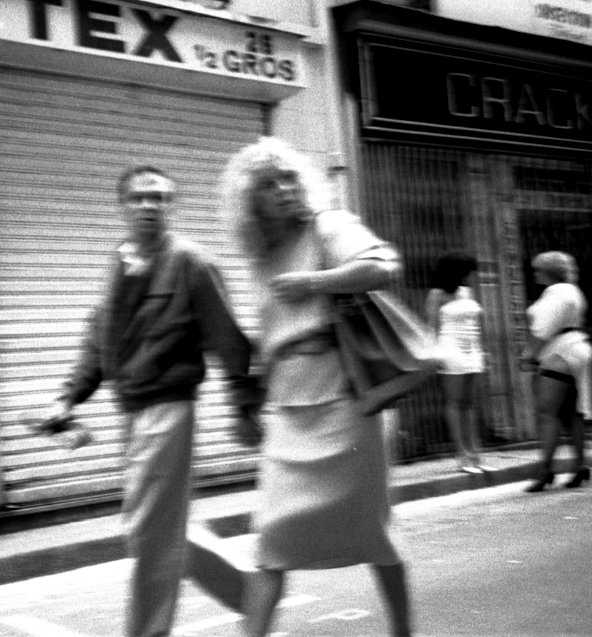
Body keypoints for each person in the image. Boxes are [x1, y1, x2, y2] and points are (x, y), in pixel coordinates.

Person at [46, 165, 262, 637]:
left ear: (171, 207)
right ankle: (252, 596)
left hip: (170, 408)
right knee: (161, 527)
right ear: (122, 206)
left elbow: (229, 339)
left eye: (161, 198)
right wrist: (69, 398)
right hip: (131, 411)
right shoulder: (120, 261)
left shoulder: (191, 263)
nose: (150, 206)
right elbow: (98, 338)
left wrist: (245, 407)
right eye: (140, 198)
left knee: (150, 534)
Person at [220, 137, 413, 637]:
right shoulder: (261, 257)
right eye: (267, 185)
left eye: (288, 179)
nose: (283, 190)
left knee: (373, 535)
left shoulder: (328, 226)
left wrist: (315, 282)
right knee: (270, 541)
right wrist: (247, 406)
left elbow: (384, 267)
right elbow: (269, 342)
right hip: (287, 414)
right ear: (250, 199)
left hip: (346, 406)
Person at [522, 251, 592, 492]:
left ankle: (545, 471)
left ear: (547, 272)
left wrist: (528, 354)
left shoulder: (555, 293)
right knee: (574, 413)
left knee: (547, 412)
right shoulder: (573, 291)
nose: (535, 273)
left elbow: (542, 329)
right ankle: (580, 465)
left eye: (538, 270)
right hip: (578, 348)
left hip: (559, 354)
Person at [424, 252, 488, 474]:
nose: (471, 275)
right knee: (455, 402)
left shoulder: (467, 291)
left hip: (473, 351)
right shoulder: (437, 294)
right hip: (450, 350)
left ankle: (475, 455)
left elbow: (476, 324)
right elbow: (431, 327)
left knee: (469, 403)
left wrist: (481, 350)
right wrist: (433, 356)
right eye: (467, 271)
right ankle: (462, 454)